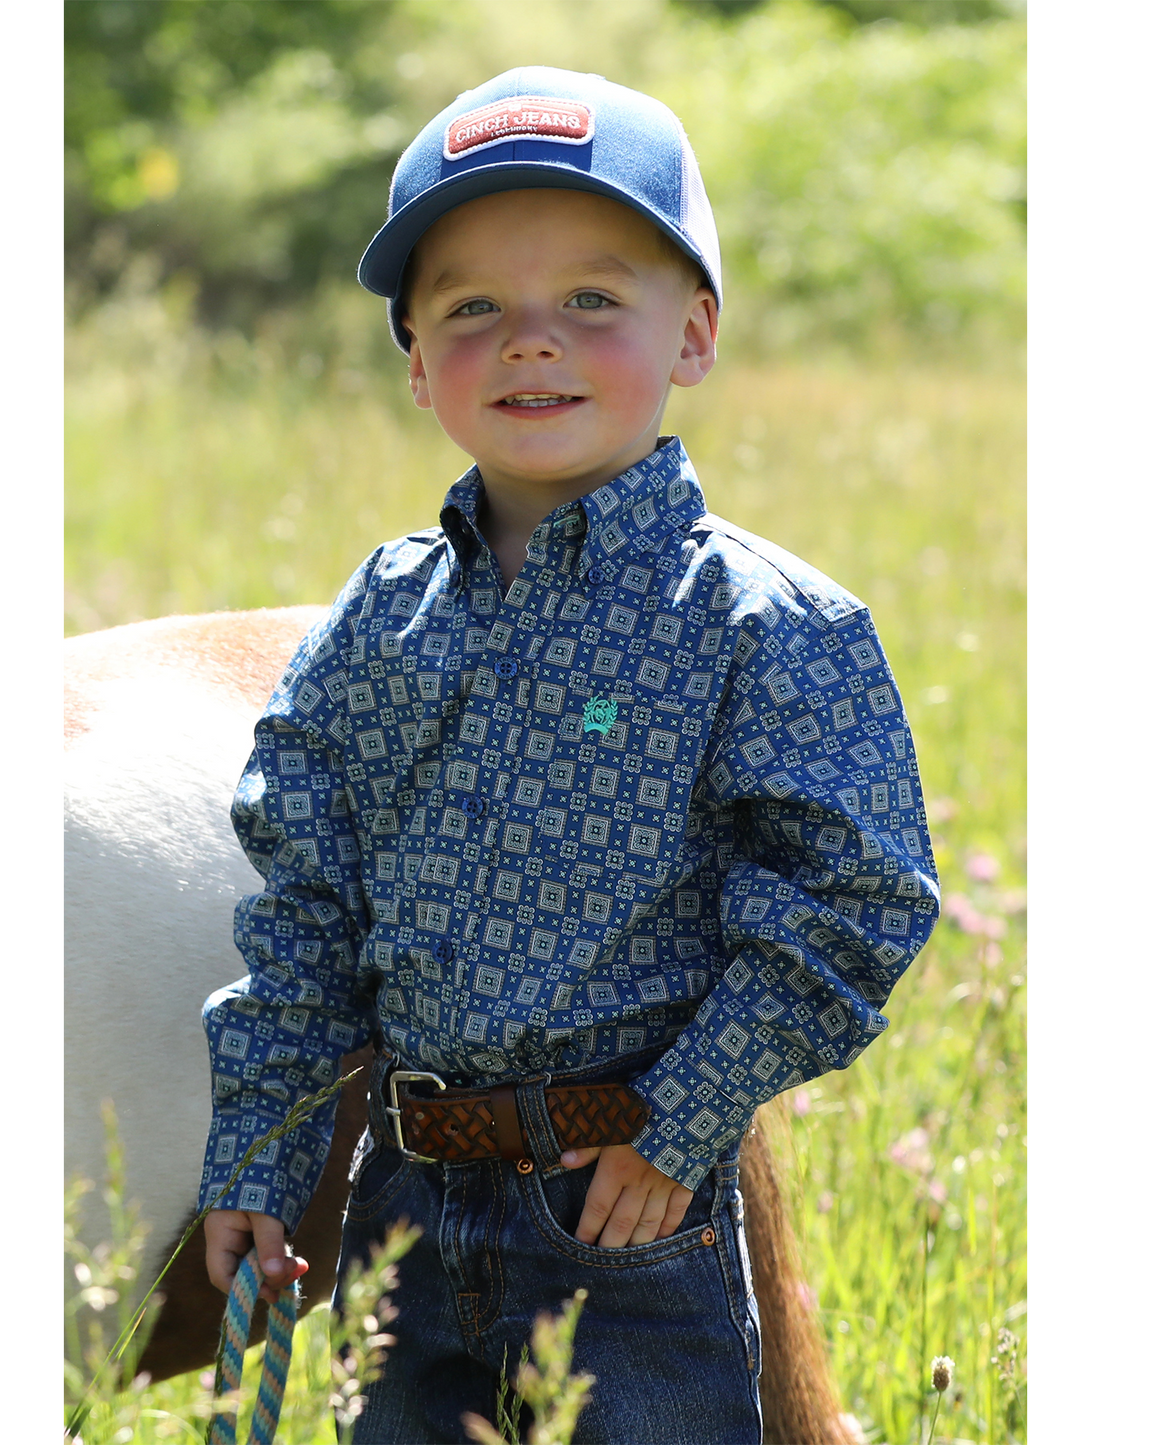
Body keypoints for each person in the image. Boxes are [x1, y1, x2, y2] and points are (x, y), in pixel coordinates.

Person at [198, 67, 939, 1445]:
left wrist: (682, 1120)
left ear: (694, 334)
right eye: (472, 308)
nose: (531, 341)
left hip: (627, 1215)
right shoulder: (378, 618)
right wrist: (262, 1156)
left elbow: (858, 897)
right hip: (405, 1205)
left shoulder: (762, 621)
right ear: (416, 363)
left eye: (593, 299)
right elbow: (304, 908)